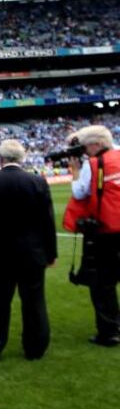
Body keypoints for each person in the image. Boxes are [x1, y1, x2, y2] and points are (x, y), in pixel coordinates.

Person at [0, 139, 57, 361]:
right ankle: (35, 347)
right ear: (22, 158)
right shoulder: (38, 182)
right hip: (32, 254)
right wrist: (51, 254)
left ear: (0, 158)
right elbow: (48, 222)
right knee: (34, 301)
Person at [64, 124, 120, 347]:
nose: (84, 151)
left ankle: (109, 331)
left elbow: (79, 192)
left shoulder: (94, 164)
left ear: (96, 144)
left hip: (105, 230)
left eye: (86, 146)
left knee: (103, 283)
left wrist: (75, 172)